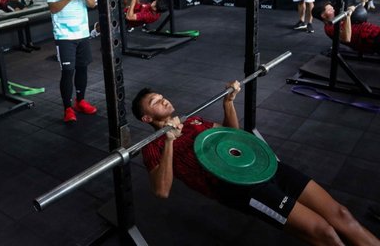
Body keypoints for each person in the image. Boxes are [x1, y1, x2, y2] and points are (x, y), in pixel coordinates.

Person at [131, 84, 380, 246]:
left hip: (261, 166)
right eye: (155, 102)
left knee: (342, 214)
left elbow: (232, 138)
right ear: (147, 118)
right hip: (238, 188)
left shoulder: (194, 120)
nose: (163, 100)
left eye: (162, 96)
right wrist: (169, 140)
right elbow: (161, 191)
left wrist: (228, 103)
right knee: (323, 232)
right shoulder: (153, 147)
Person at [45, 0, 97, 123]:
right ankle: (67, 108)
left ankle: (80, 101)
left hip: (82, 32)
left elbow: (92, 5)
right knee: (68, 71)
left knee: (83, 68)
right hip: (64, 35)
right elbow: (53, 9)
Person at [312, 0, 380, 55]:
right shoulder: (329, 28)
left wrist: (362, 2)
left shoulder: (337, 18)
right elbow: (346, 39)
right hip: (373, 39)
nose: (334, 10)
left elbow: (357, 13)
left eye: (332, 8)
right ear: (323, 15)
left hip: (375, 31)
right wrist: (348, 16)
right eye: (330, 10)